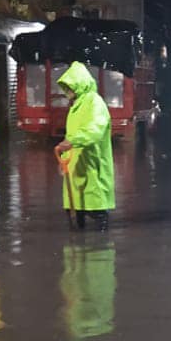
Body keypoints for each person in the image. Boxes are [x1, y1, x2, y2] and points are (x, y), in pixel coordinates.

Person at [55, 61, 115, 231]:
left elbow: (94, 130)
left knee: (97, 214)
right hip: (74, 169)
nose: (67, 92)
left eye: (70, 87)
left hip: (92, 167)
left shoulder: (95, 103)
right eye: (65, 88)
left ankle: (99, 251)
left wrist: (72, 141)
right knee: (75, 220)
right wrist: (63, 161)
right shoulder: (76, 106)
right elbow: (70, 136)